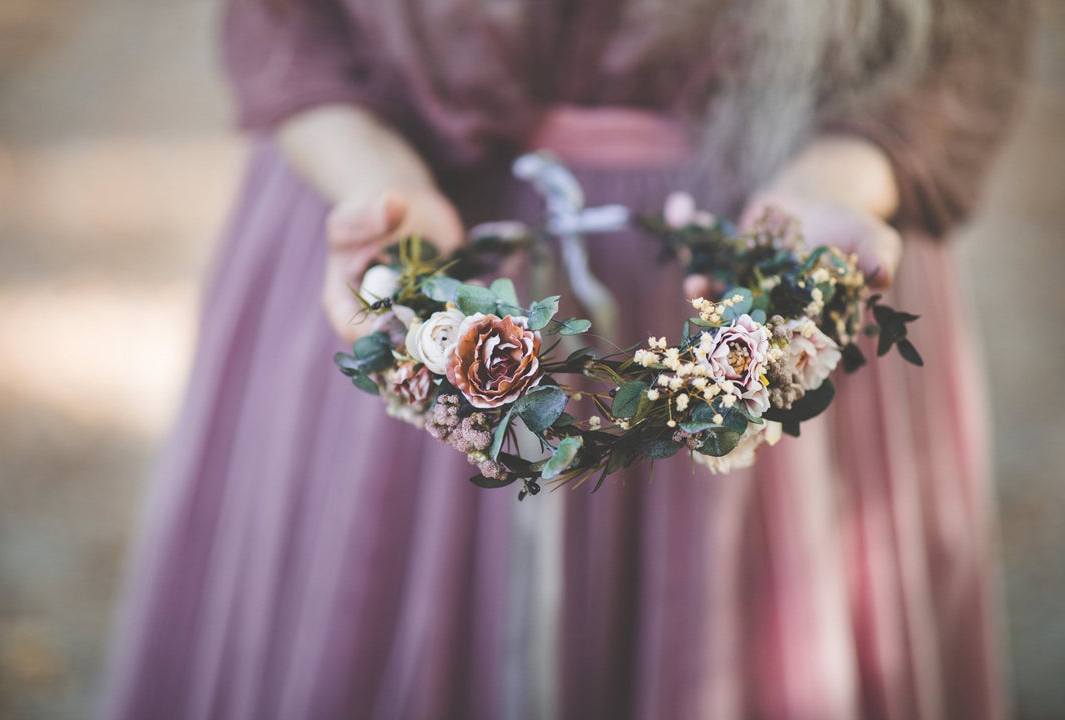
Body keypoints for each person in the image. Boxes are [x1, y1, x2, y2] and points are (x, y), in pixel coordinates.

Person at [103, 1, 1031, 718]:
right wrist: (367, 177)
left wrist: (838, 181)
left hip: (772, 240)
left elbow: (963, 30)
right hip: (403, 231)